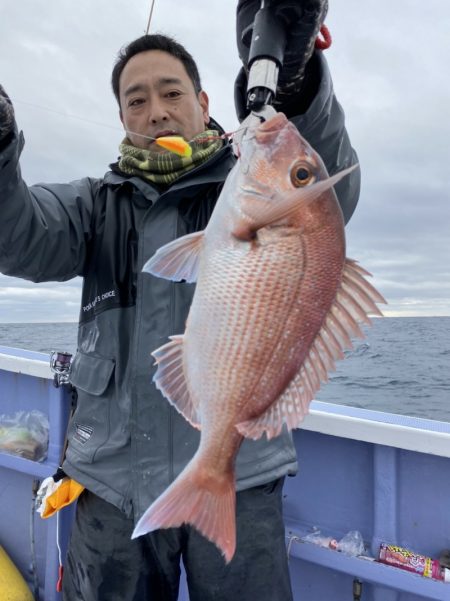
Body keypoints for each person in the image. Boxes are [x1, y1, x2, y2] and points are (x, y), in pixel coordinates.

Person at [0, 2, 360, 599]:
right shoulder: (95, 206)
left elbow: (325, 185)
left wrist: (298, 85)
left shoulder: (240, 186)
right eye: (136, 101)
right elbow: (18, 236)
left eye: (171, 92)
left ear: (205, 103)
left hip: (241, 479)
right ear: (121, 118)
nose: (156, 110)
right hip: (112, 484)